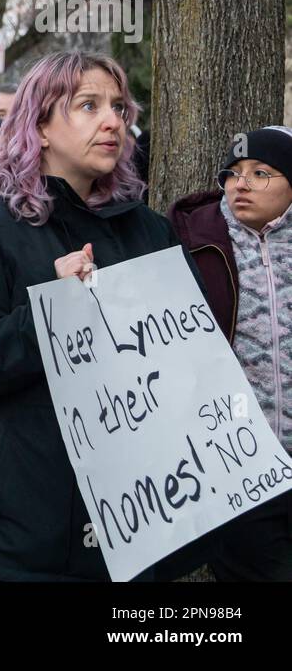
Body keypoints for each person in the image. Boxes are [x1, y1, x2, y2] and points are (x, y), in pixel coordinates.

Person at [0, 50, 200, 581]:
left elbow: (184, 361)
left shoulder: (149, 230)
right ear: (41, 126)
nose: (112, 121)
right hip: (21, 537)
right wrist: (51, 308)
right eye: (88, 105)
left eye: (119, 107)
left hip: (136, 527)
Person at [169, 126, 292, 580]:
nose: (241, 184)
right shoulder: (193, 243)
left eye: (261, 173)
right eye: (233, 173)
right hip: (241, 472)